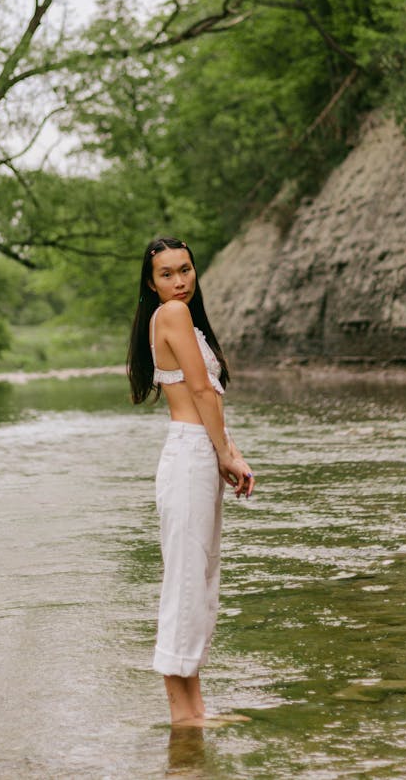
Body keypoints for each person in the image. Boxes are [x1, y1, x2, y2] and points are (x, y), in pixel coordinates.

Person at [127, 235, 255, 726]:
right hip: (189, 454)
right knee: (184, 582)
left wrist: (231, 452)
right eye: (166, 273)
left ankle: (196, 707)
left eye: (186, 270)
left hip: (199, 451)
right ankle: (183, 716)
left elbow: (210, 396)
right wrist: (225, 453)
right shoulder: (174, 316)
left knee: (200, 580)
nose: (179, 281)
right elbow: (199, 389)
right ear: (150, 281)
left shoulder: (183, 318)